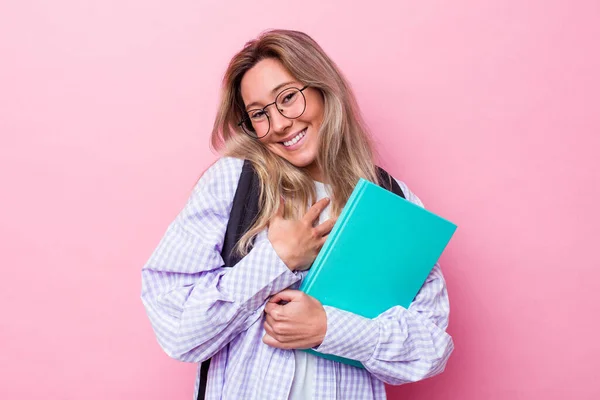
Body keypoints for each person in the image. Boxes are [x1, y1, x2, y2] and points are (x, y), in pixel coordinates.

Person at [141, 29, 454, 400]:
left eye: (288, 98)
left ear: (324, 89)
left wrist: (327, 328)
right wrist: (277, 260)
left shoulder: (393, 201)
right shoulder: (234, 181)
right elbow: (178, 331)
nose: (278, 125)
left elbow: (431, 348)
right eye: (259, 114)